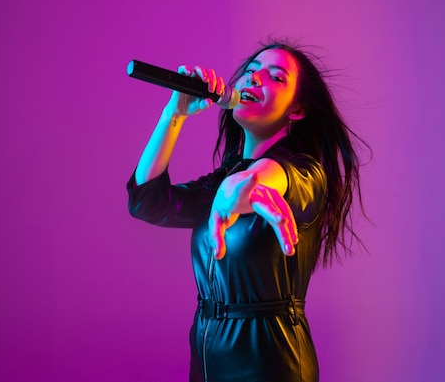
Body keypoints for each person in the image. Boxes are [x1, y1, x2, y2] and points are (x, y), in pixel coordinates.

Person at [127, 40, 370, 382]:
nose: (255, 79)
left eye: (276, 77)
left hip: (271, 361)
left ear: (296, 109)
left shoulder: (306, 173)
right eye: (251, 71)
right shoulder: (225, 176)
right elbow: (147, 202)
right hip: (208, 358)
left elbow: (267, 178)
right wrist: (174, 114)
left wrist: (238, 190)